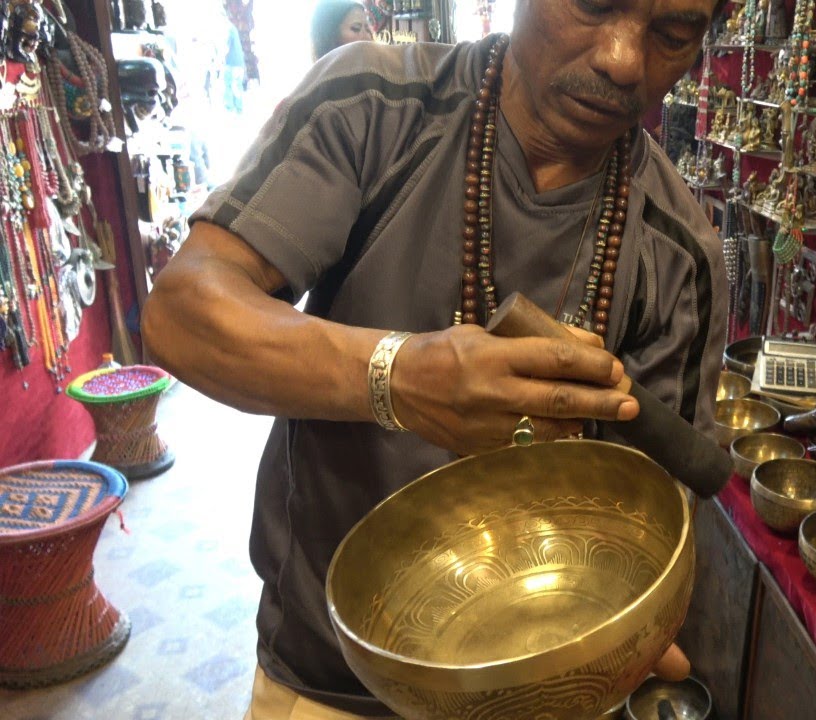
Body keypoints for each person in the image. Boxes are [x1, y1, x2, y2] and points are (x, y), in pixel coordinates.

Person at [142, 0, 729, 717]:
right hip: (328, 680)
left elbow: (661, 522)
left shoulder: (677, 251)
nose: (623, 59)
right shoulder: (372, 106)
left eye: (672, 35)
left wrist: (636, 631)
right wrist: (396, 377)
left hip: (546, 685)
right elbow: (181, 313)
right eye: (594, 4)